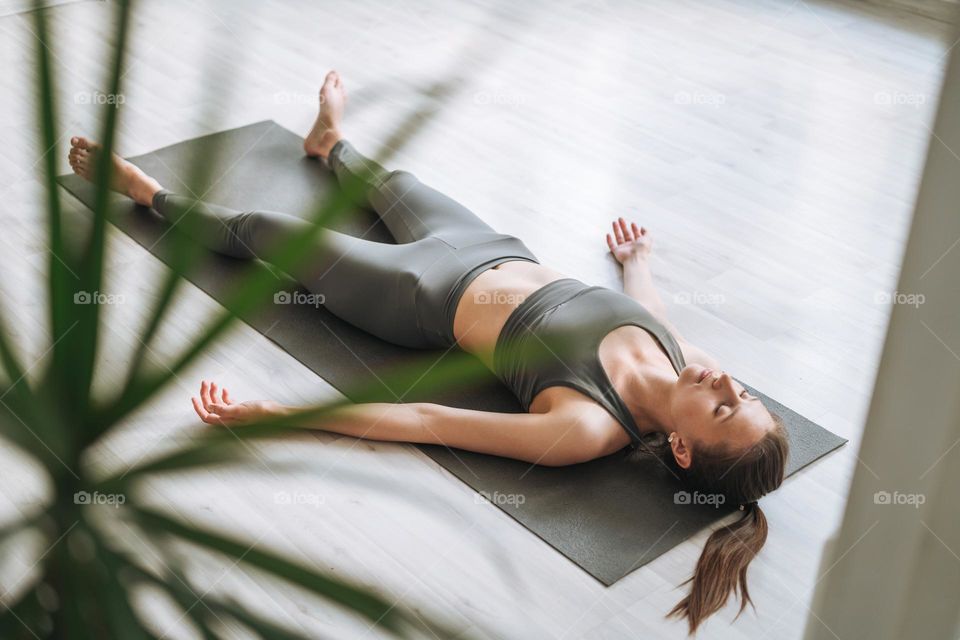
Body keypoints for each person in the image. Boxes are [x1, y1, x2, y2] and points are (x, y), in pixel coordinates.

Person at [68, 70, 788, 633]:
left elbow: (423, 422)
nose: (724, 379)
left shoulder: (587, 428)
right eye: (743, 392)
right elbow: (649, 311)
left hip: (418, 292)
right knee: (393, 184)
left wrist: (278, 412)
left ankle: (148, 194)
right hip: (494, 246)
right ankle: (330, 144)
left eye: (722, 407)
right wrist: (637, 263)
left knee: (268, 229)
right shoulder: (680, 353)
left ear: (686, 452)